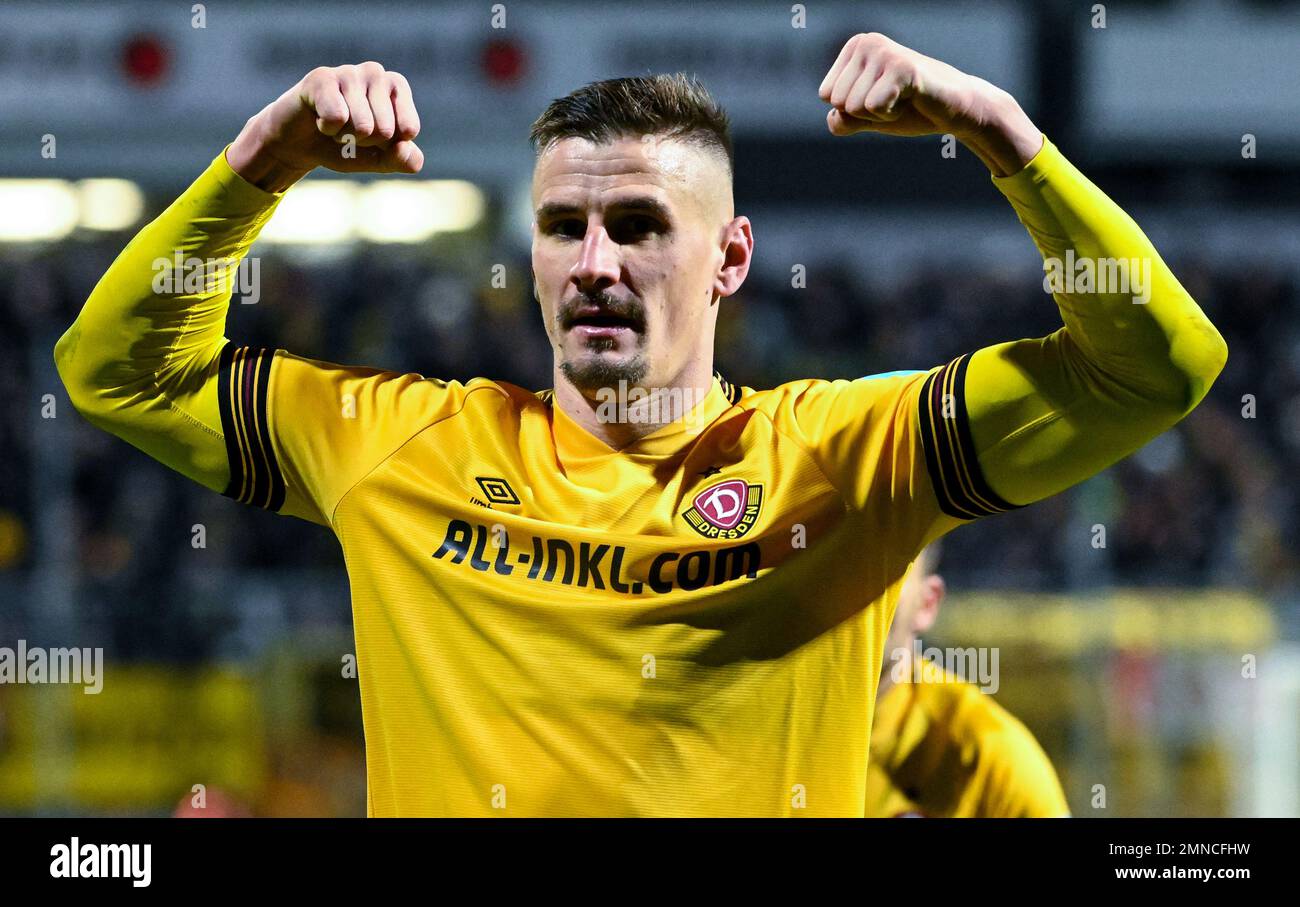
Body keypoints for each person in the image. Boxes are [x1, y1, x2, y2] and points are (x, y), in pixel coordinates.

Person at [54, 32, 1227, 816]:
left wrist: (1005, 141)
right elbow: (114, 371)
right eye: (563, 225)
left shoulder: (842, 460)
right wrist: (259, 164)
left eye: (637, 224)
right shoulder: (401, 444)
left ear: (730, 257)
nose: (594, 264)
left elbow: (1155, 370)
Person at [867, 545, 1070, 817]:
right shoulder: (792, 733)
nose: (858, 597)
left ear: (927, 603)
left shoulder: (993, 766)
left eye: (883, 574)